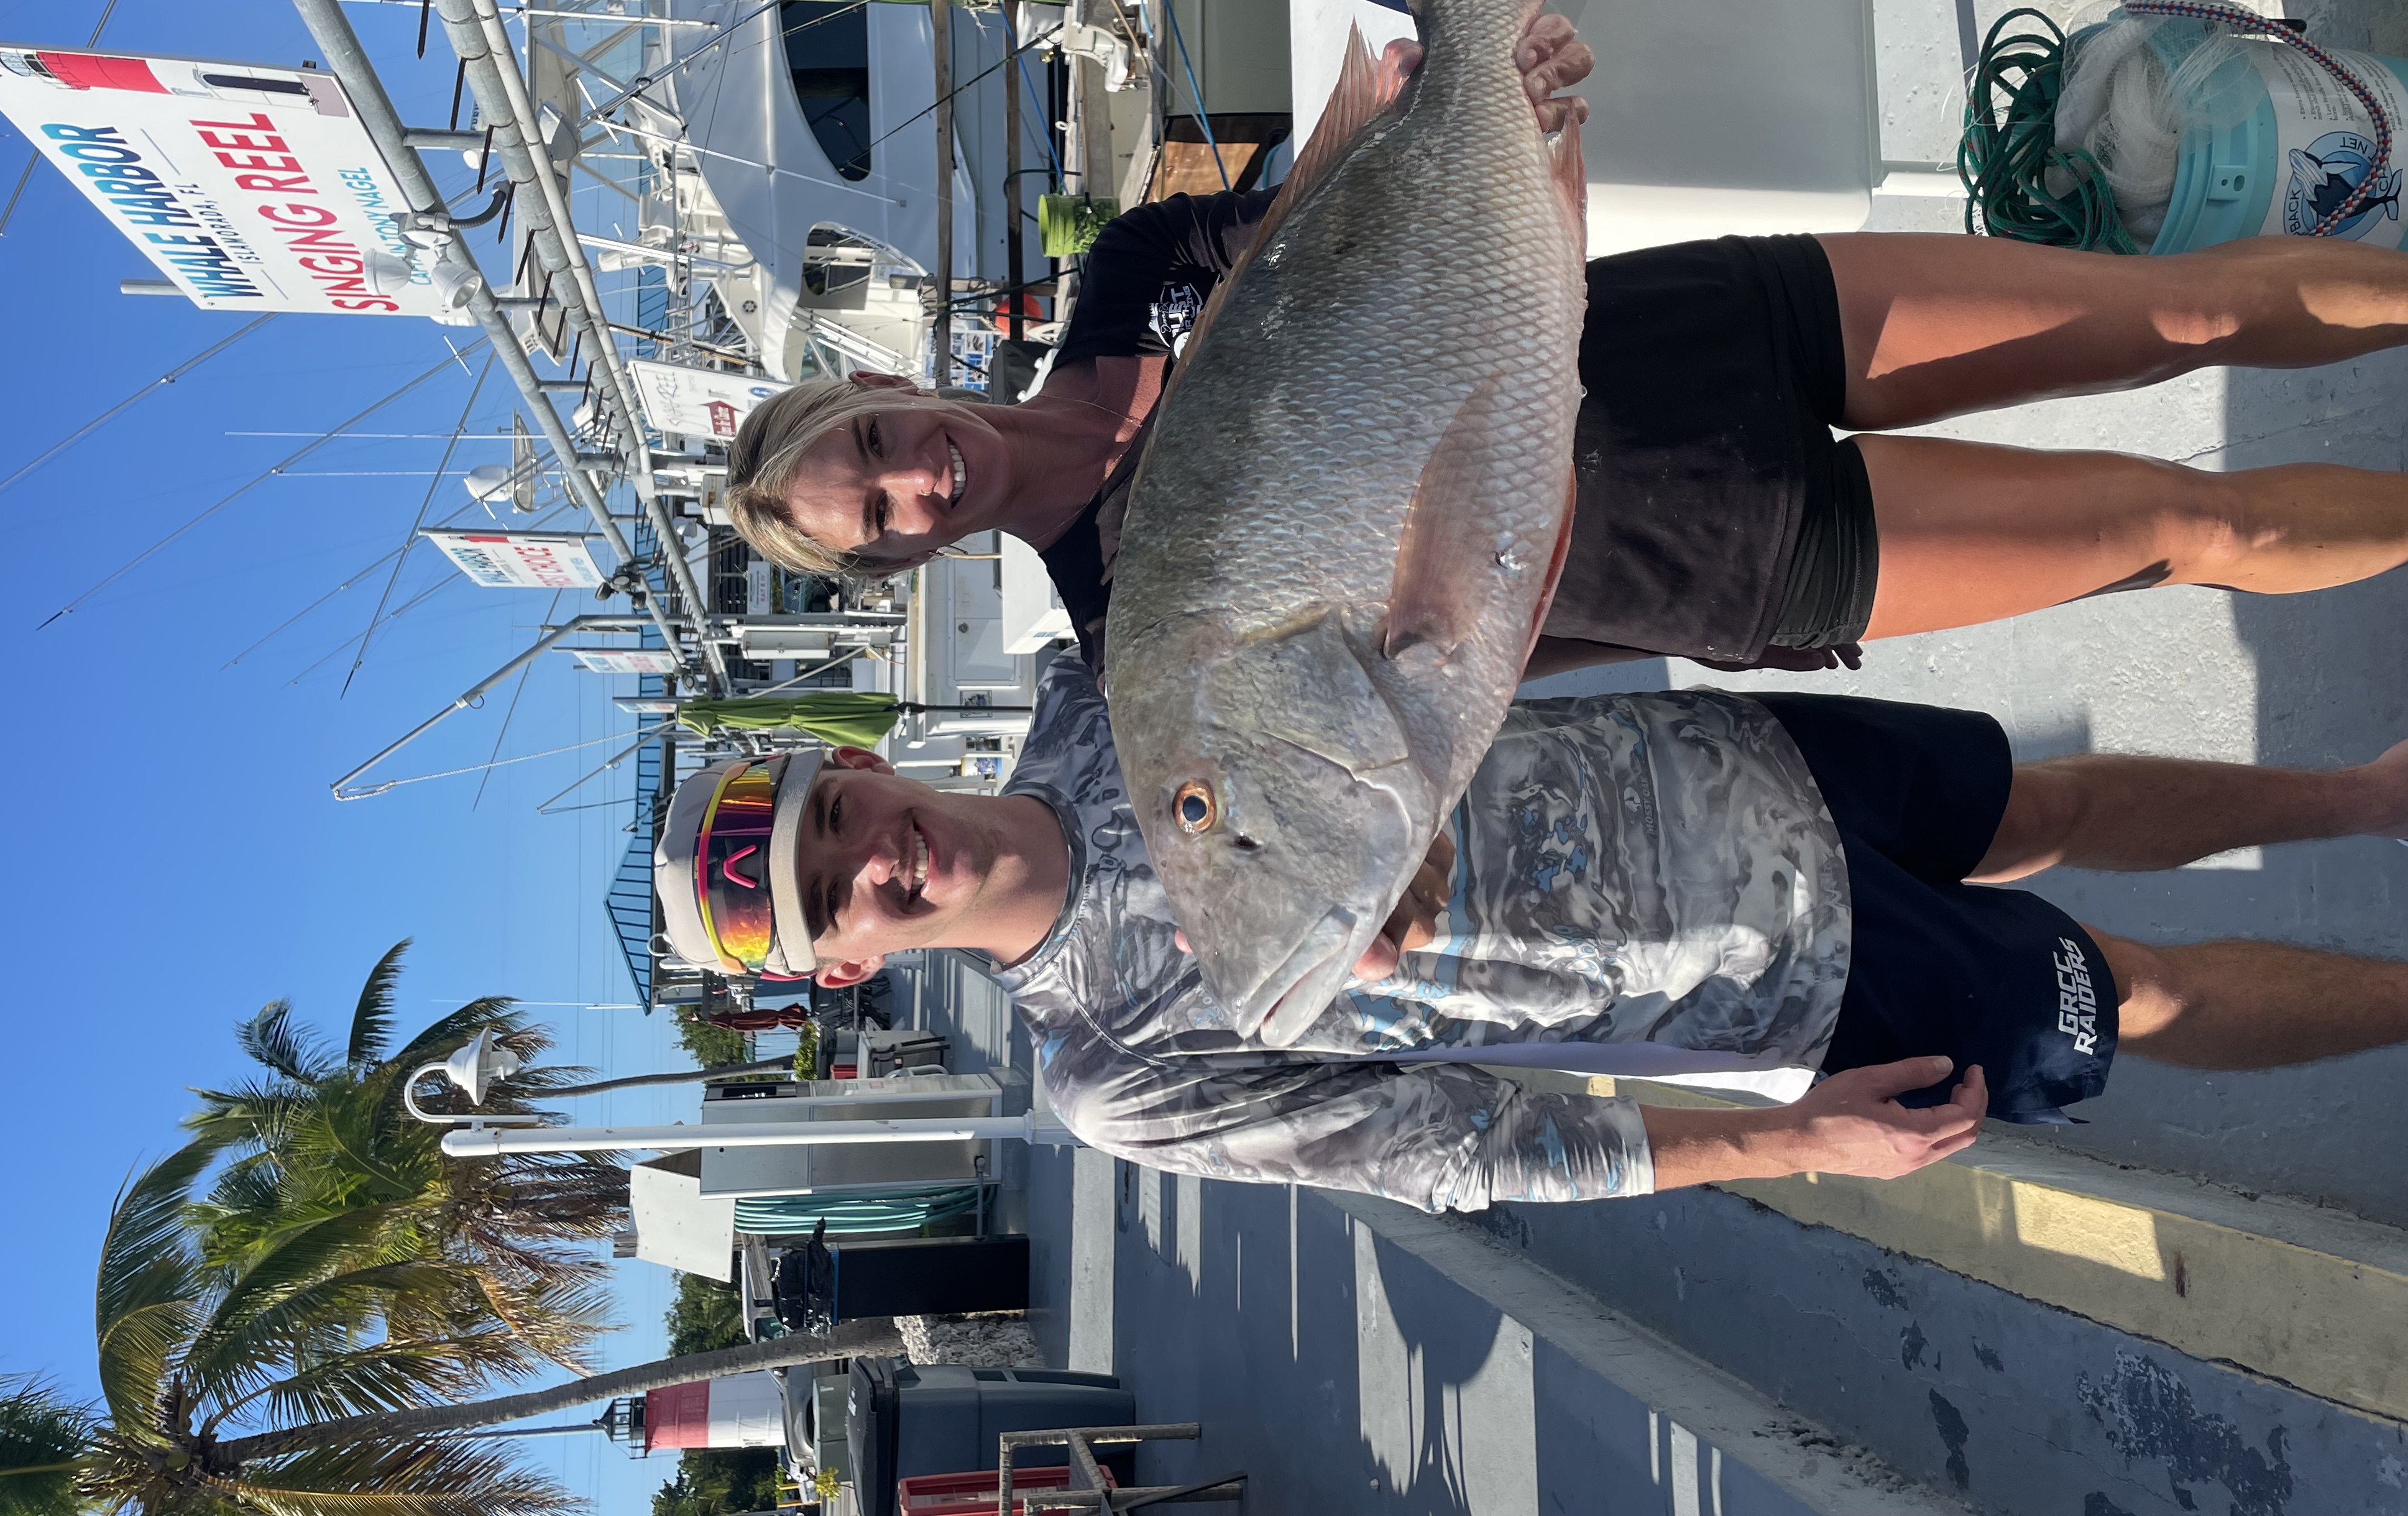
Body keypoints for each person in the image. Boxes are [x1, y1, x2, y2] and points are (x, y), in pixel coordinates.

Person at [721, 20, 2408, 679]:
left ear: (882, 391)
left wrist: (1398, 108)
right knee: (2186, 529)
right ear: (902, 561)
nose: (913, 478)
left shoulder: (1132, 279)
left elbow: (1315, 213)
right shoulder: (1130, 629)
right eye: (879, 514)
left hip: (1698, 324)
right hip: (1706, 555)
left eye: (872, 447)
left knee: (2161, 312)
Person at [652, 656, 2408, 1212]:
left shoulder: (1104, 684)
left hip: (1727, 754)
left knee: (2061, 801)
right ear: (845, 967)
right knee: (2137, 990)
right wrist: (1794, 1142)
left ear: (855, 763)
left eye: (834, 814)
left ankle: (2372, 795)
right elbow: (1467, 1148)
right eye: (833, 897)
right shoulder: (1113, 1074)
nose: (875, 859)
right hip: (1756, 974)